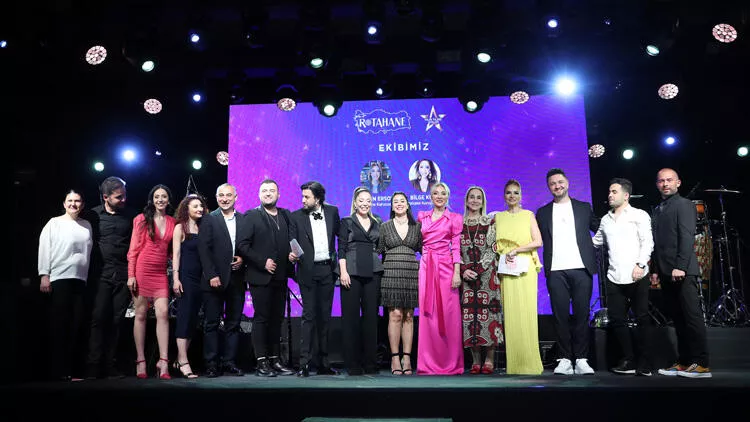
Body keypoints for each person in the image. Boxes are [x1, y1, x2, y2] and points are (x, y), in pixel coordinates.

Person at [536, 169, 599, 375]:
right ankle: (564, 359)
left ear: (567, 183)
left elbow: (600, 228)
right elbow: (533, 237)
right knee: (560, 316)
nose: (557, 186)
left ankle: (581, 359)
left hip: (581, 268)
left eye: (560, 182)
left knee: (582, 314)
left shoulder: (583, 207)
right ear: (549, 187)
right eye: (553, 183)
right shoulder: (543, 212)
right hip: (556, 270)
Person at [651, 168, 711, 378]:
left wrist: (681, 267)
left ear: (678, 183)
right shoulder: (658, 208)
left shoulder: (684, 204)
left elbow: (687, 237)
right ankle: (685, 362)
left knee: (691, 317)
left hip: (682, 270)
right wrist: (656, 270)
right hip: (666, 271)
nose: (665, 184)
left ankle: (701, 364)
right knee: (678, 318)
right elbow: (658, 244)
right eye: (661, 181)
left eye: (669, 180)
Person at [592, 178, 654, 376]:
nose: (610, 195)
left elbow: (647, 241)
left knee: (642, 318)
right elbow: (596, 242)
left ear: (626, 195)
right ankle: (629, 359)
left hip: (637, 274)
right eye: (609, 192)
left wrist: (641, 264)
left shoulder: (639, 215)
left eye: (614, 192)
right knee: (618, 319)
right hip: (614, 276)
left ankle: (645, 362)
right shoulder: (605, 219)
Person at [239, 179, 296, 377]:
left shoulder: (285, 215)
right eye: (264, 190)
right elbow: (243, 245)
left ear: (279, 194)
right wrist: (262, 262)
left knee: (276, 319)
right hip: (260, 276)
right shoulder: (251, 215)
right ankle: (261, 361)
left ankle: (275, 359)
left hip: (281, 276)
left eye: (272, 190)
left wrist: (293, 254)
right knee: (262, 318)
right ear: (259, 194)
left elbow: (291, 240)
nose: (268, 193)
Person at [38, 190, 93, 381]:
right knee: (59, 325)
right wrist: (44, 274)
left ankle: (73, 370)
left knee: (76, 324)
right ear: (64, 203)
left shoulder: (86, 225)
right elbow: (44, 248)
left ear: (82, 204)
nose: (73, 204)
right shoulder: (54, 223)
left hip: (80, 280)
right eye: (70, 200)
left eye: (77, 201)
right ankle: (58, 371)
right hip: (59, 278)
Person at [84, 176, 134, 380]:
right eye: (118, 197)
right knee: (98, 319)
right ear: (105, 197)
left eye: (124, 195)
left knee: (116, 321)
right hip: (100, 275)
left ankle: (110, 365)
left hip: (122, 274)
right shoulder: (93, 215)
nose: (123, 200)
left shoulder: (130, 216)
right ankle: (93, 365)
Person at [290, 181, 341, 377]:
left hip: (327, 270)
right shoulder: (296, 216)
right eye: (302, 196)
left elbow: (341, 237)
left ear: (318, 199)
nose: (303, 200)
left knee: (325, 317)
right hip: (307, 272)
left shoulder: (332, 212)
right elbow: (292, 241)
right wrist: (291, 255)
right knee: (309, 316)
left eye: (307, 197)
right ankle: (304, 363)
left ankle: (324, 363)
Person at [197, 183, 248, 378]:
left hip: (237, 279)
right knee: (211, 323)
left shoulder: (243, 219)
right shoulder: (209, 219)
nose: (225, 199)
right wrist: (212, 275)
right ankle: (211, 363)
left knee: (233, 323)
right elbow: (204, 249)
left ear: (236, 197)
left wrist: (243, 259)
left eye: (228, 195)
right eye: (221, 195)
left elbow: (247, 246)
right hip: (214, 280)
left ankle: (229, 362)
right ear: (216, 197)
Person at [127, 184, 176, 380]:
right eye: (157, 196)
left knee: (163, 313)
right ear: (152, 199)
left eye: (164, 196)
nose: (160, 199)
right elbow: (133, 250)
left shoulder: (173, 222)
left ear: (168, 200)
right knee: (140, 315)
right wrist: (131, 275)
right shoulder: (141, 219)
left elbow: (171, 251)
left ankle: (163, 362)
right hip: (142, 270)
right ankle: (140, 361)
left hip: (160, 273)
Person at [496, 180, 545, 375]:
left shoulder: (528, 215)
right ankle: (515, 364)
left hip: (525, 267)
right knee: (510, 314)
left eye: (516, 192)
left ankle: (530, 363)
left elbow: (538, 241)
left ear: (521, 195)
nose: (512, 196)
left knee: (526, 312)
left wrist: (516, 250)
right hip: (506, 267)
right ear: (504, 195)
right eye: (508, 192)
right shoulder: (498, 217)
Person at [416, 182, 464, 375]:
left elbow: (456, 247)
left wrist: (457, 272)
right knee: (428, 315)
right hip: (427, 267)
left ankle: (450, 361)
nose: (439, 196)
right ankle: (427, 362)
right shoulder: (422, 217)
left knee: (449, 313)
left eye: (443, 193)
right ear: (431, 196)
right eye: (436, 193)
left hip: (446, 268)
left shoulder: (454, 218)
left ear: (448, 196)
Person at [338, 187, 383, 375]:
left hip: (373, 271)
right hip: (351, 271)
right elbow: (341, 249)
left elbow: (380, 247)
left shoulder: (377, 222)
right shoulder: (346, 221)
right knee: (351, 319)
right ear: (355, 203)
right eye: (361, 200)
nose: (365, 204)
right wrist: (343, 272)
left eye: (368, 201)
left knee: (371, 318)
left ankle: (370, 363)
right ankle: (353, 364)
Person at [378, 192, 421, 375]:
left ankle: (407, 358)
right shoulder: (385, 226)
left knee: (409, 315)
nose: (399, 204)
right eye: (395, 202)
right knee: (395, 315)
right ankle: (395, 358)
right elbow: (378, 250)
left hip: (411, 273)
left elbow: (425, 250)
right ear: (391, 206)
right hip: (390, 273)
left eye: (402, 201)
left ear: (408, 204)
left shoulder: (417, 227)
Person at [460, 186, 502, 375]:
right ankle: (476, 360)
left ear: (483, 201)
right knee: (470, 318)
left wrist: (477, 270)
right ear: (466, 200)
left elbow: (492, 248)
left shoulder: (489, 221)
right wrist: (464, 270)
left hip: (487, 276)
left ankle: (489, 359)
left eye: (479, 197)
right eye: (472, 197)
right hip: (466, 277)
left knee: (489, 317)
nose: (475, 200)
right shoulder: (458, 223)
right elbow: (454, 249)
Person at [171, 194, 208, 379]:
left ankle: (179, 360)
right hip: (186, 277)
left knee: (193, 319)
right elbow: (176, 255)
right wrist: (176, 278)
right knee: (184, 318)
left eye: (201, 206)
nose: (199, 209)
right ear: (187, 209)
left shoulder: (204, 227)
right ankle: (184, 362)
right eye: (195, 206)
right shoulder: (180, 227)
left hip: (202, 279)